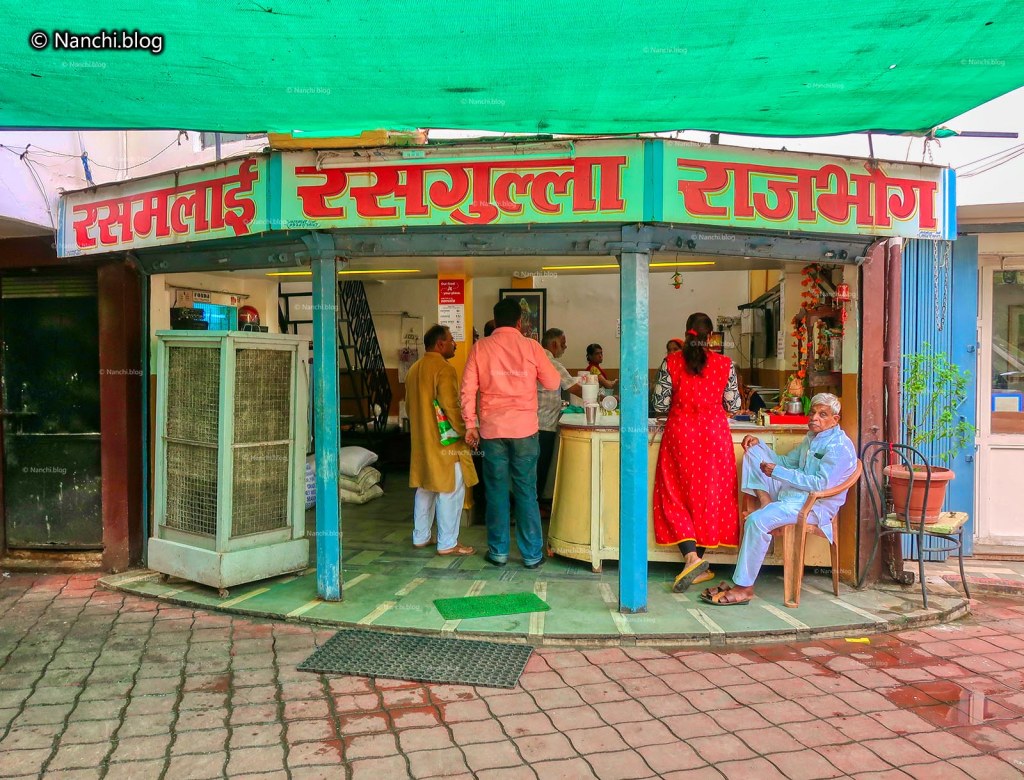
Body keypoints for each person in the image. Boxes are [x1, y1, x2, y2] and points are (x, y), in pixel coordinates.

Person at [702, 393, 858, 606]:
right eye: (812, 412)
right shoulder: (812, 438)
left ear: (835, 419)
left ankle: (744, 588)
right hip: (793, 495)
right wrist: (761, 446)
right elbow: (785, 461)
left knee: (756, 521)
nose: (814, 418)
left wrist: (778, 473)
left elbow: (820, 485)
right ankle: (767, 505)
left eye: (823, 414)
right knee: (753, 454)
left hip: (812, 506)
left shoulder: (839, 446)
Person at [462, 299, 561, 568]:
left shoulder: (480, 348)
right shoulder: (531, 346)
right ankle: (531, 555)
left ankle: (498, 552)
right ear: (520, 322)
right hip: (525, 431)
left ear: (494, 322)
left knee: (495, 492)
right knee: (526, 492)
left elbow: (468, 390)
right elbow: (553, 382)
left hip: (492, 432)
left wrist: (471, 424)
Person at [651, 312, 742, 592]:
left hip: (681, 433)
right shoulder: (726, 364)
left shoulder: (672, 362)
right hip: (714, 435)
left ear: (687, 331)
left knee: (673, 493)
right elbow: (735, 404)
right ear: (710, 336)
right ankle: (698, 560)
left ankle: (691, 557)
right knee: (709, 495)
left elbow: (660, 404)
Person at [405, 325, 477, 556]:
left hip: (421, 441)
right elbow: (451, 406)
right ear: (440, 344)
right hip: (444, 444)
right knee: (450, 490)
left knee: (425, 488)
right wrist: (467, 430)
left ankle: (421, 536)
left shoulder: (414, 369)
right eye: (451, 340)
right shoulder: (444, 369)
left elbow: (408, 406)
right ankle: (448, 543)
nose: (454, 344)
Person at [537, 328, 581, 517]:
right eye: (563, 343)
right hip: (544, 424)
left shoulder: (534, 358)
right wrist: (604, 398)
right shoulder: (551, 363)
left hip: (532, 422)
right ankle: (536, 507)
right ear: (554, 344)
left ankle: (536, 504)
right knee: (540, 467)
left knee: (533, 468)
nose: (565, 346)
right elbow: (574, 388)